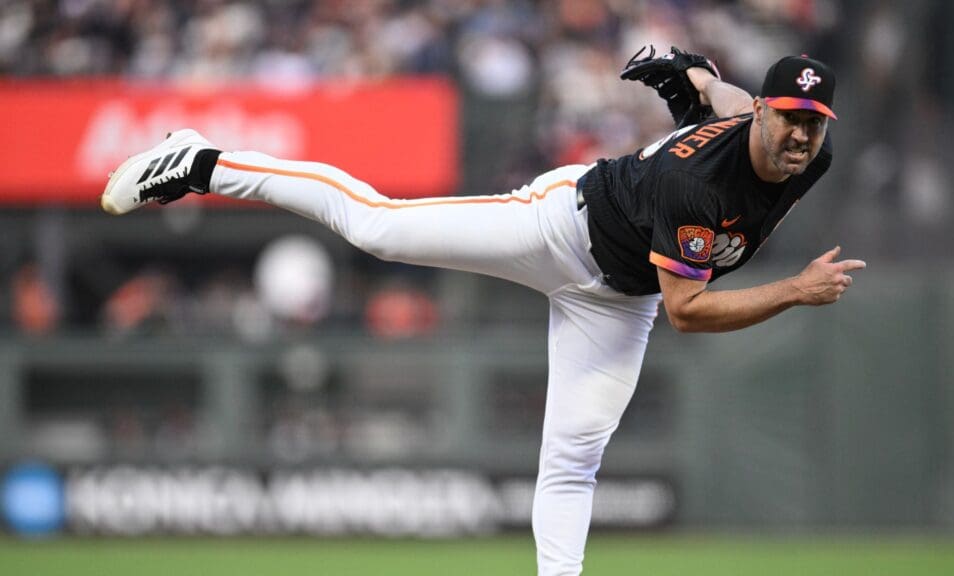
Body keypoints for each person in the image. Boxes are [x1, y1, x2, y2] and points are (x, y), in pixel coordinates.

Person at [101, 49, 864, 576]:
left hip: (619, 299)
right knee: (378, 227)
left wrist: (705, 79)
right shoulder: (701, 188)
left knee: (573, 462)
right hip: (562, 225)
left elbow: (733, 109)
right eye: (790, 115)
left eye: (814, 119)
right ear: (767, 111)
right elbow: (690, 314)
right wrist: (796, 290)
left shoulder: (804, 149)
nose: (802, 132)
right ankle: (203, 162)